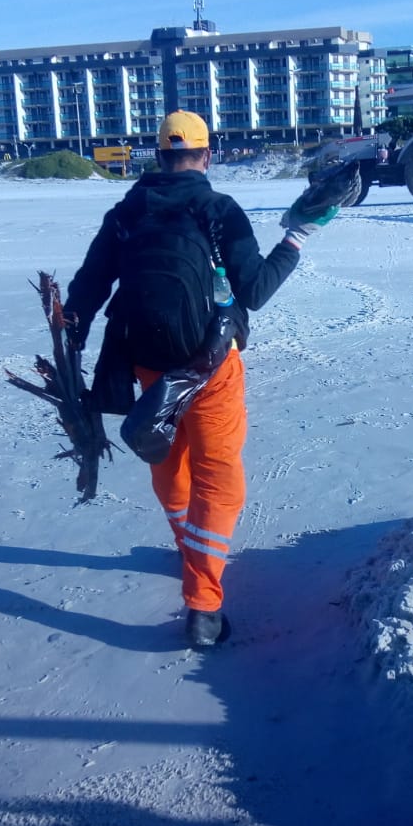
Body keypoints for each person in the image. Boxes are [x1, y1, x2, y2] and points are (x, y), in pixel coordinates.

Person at [63, 110, 336, 647]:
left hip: (148, 365)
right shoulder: (218, 208)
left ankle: (189, 548)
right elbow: (254, 291)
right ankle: (204, 605)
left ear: (159, 156)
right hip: (210, 365)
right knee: (218, 474)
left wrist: (69, 345)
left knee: (170, 456)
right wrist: (298, 237)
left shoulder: (125, 211)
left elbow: (86, 292)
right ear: (206, 157)